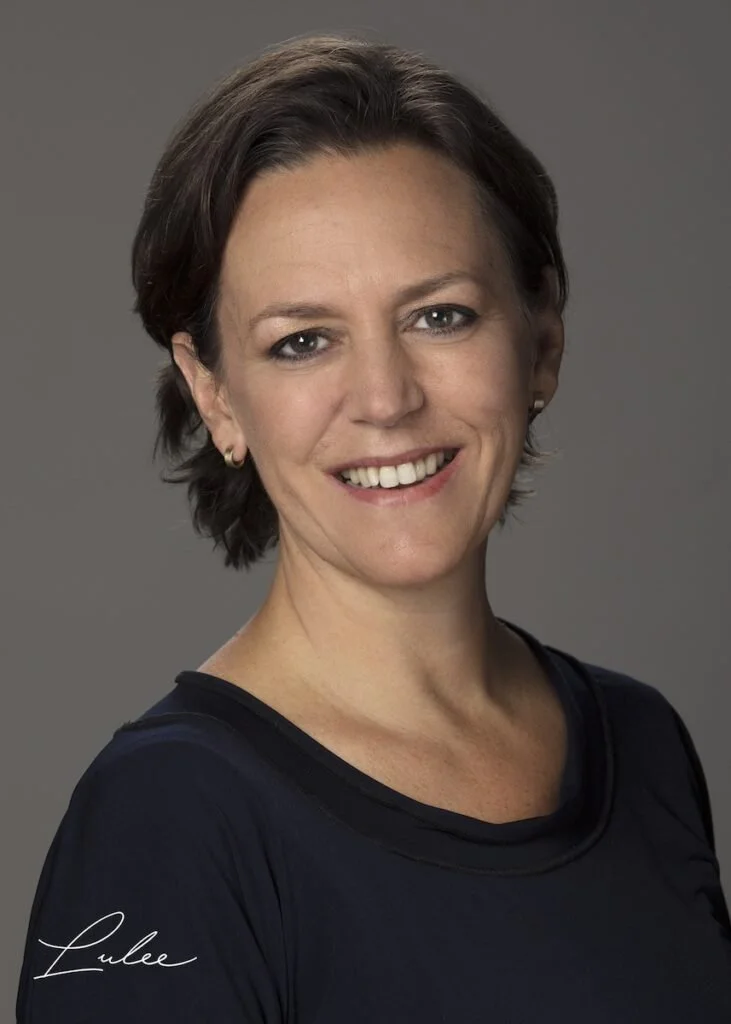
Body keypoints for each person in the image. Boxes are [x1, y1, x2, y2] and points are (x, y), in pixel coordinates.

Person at [17, 31, 731, 1023]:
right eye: (302, 341)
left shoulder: (639, 740)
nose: (385, 398)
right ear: (214, 394)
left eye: (438, 316)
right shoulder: (169, 818)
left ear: (542, 340)